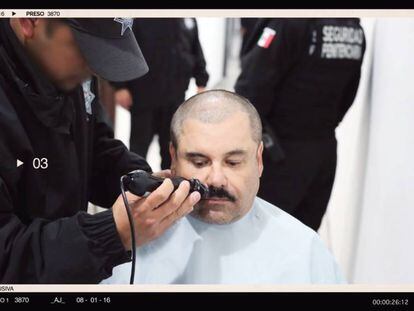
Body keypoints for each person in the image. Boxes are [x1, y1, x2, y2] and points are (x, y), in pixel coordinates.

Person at [0, 18, 201, 283]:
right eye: (87, 51)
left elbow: (93, 146)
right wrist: (111, 233)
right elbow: (7, 259)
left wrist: (141, 181)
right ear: (30, 20)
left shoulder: (65, 72)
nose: (95, 69)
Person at [102, 90, 345, 284]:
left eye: (233, 162)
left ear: (259, 160)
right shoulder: (131, 238)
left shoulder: (303, 250)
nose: (216, 179)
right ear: (173, 159)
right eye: (199, 162)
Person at [234, 18, 366, 231]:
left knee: (261, 236)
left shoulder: (289, 21)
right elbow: (348, 94)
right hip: (322, 152)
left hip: (278, 153)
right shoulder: (354, 28)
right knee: (303, 237)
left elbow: (250, 90)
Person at [113, 18, 209, 170]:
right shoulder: (140, 17)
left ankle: (170, 187)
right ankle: (135, 185)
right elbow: (123, 49)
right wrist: (120, 86)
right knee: (138, 149)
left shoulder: (187, 17)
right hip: (144, 96)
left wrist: (201, 80)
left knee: (171, 149)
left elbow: (195, 48)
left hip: (175, 97)